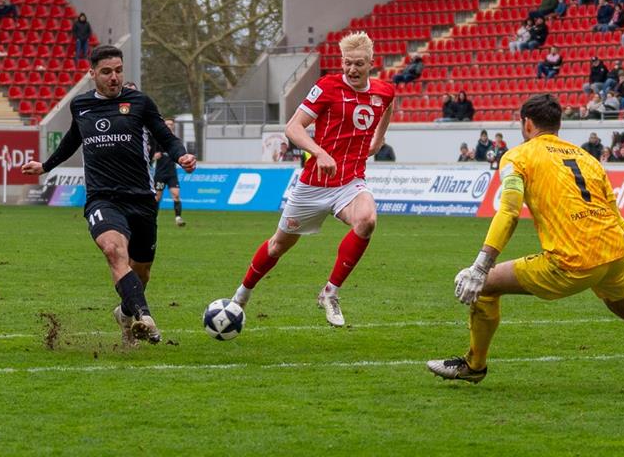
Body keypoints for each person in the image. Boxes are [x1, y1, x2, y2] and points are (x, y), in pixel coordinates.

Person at [426, 94, 624, 386]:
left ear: (526, 123)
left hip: (570, 261)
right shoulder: (589, 160)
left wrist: (480, 266)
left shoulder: (517, 157)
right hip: (612, 254)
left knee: (485, 286)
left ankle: (474, 366)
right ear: (558, 124)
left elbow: (509, 211)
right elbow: (618, 221)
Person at [21, 45, 197, 346]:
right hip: (102, 198)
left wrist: (181, 156)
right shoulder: (81, 106)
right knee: (114, 252)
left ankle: (125, 314)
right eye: (106, 72)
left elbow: (165, 136)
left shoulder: (140, 103)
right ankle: (145, 317)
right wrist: (45, 166)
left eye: (118, 71)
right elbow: (72, 140)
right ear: (92, 74)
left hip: (141, 200)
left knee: (141, 274)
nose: (114, 77)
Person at [228, 32, 394, 327]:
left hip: (350, 182)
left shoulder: (383, 91)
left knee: (367, 219)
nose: (352, 70)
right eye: (347, 63)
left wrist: (379, 140)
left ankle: (330, 293)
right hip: (313, 186)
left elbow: (388, 105)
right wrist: (320, 153)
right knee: (278, 246)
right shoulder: (328, 87)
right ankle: (241, 296)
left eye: (358, 64)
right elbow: (293, 127)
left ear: (371, 63)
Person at [153, 118, 188, 227]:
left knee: (176, 195)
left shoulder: (175, 141)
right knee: (157, 197)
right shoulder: (158, 139)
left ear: (173, 126)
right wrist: (154, 156)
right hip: (160, 173)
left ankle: (178, 218)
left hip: (172, 173)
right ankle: (153, 217)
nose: (169, 126)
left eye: (171, 124)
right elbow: (150, 153)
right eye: (167, 124)